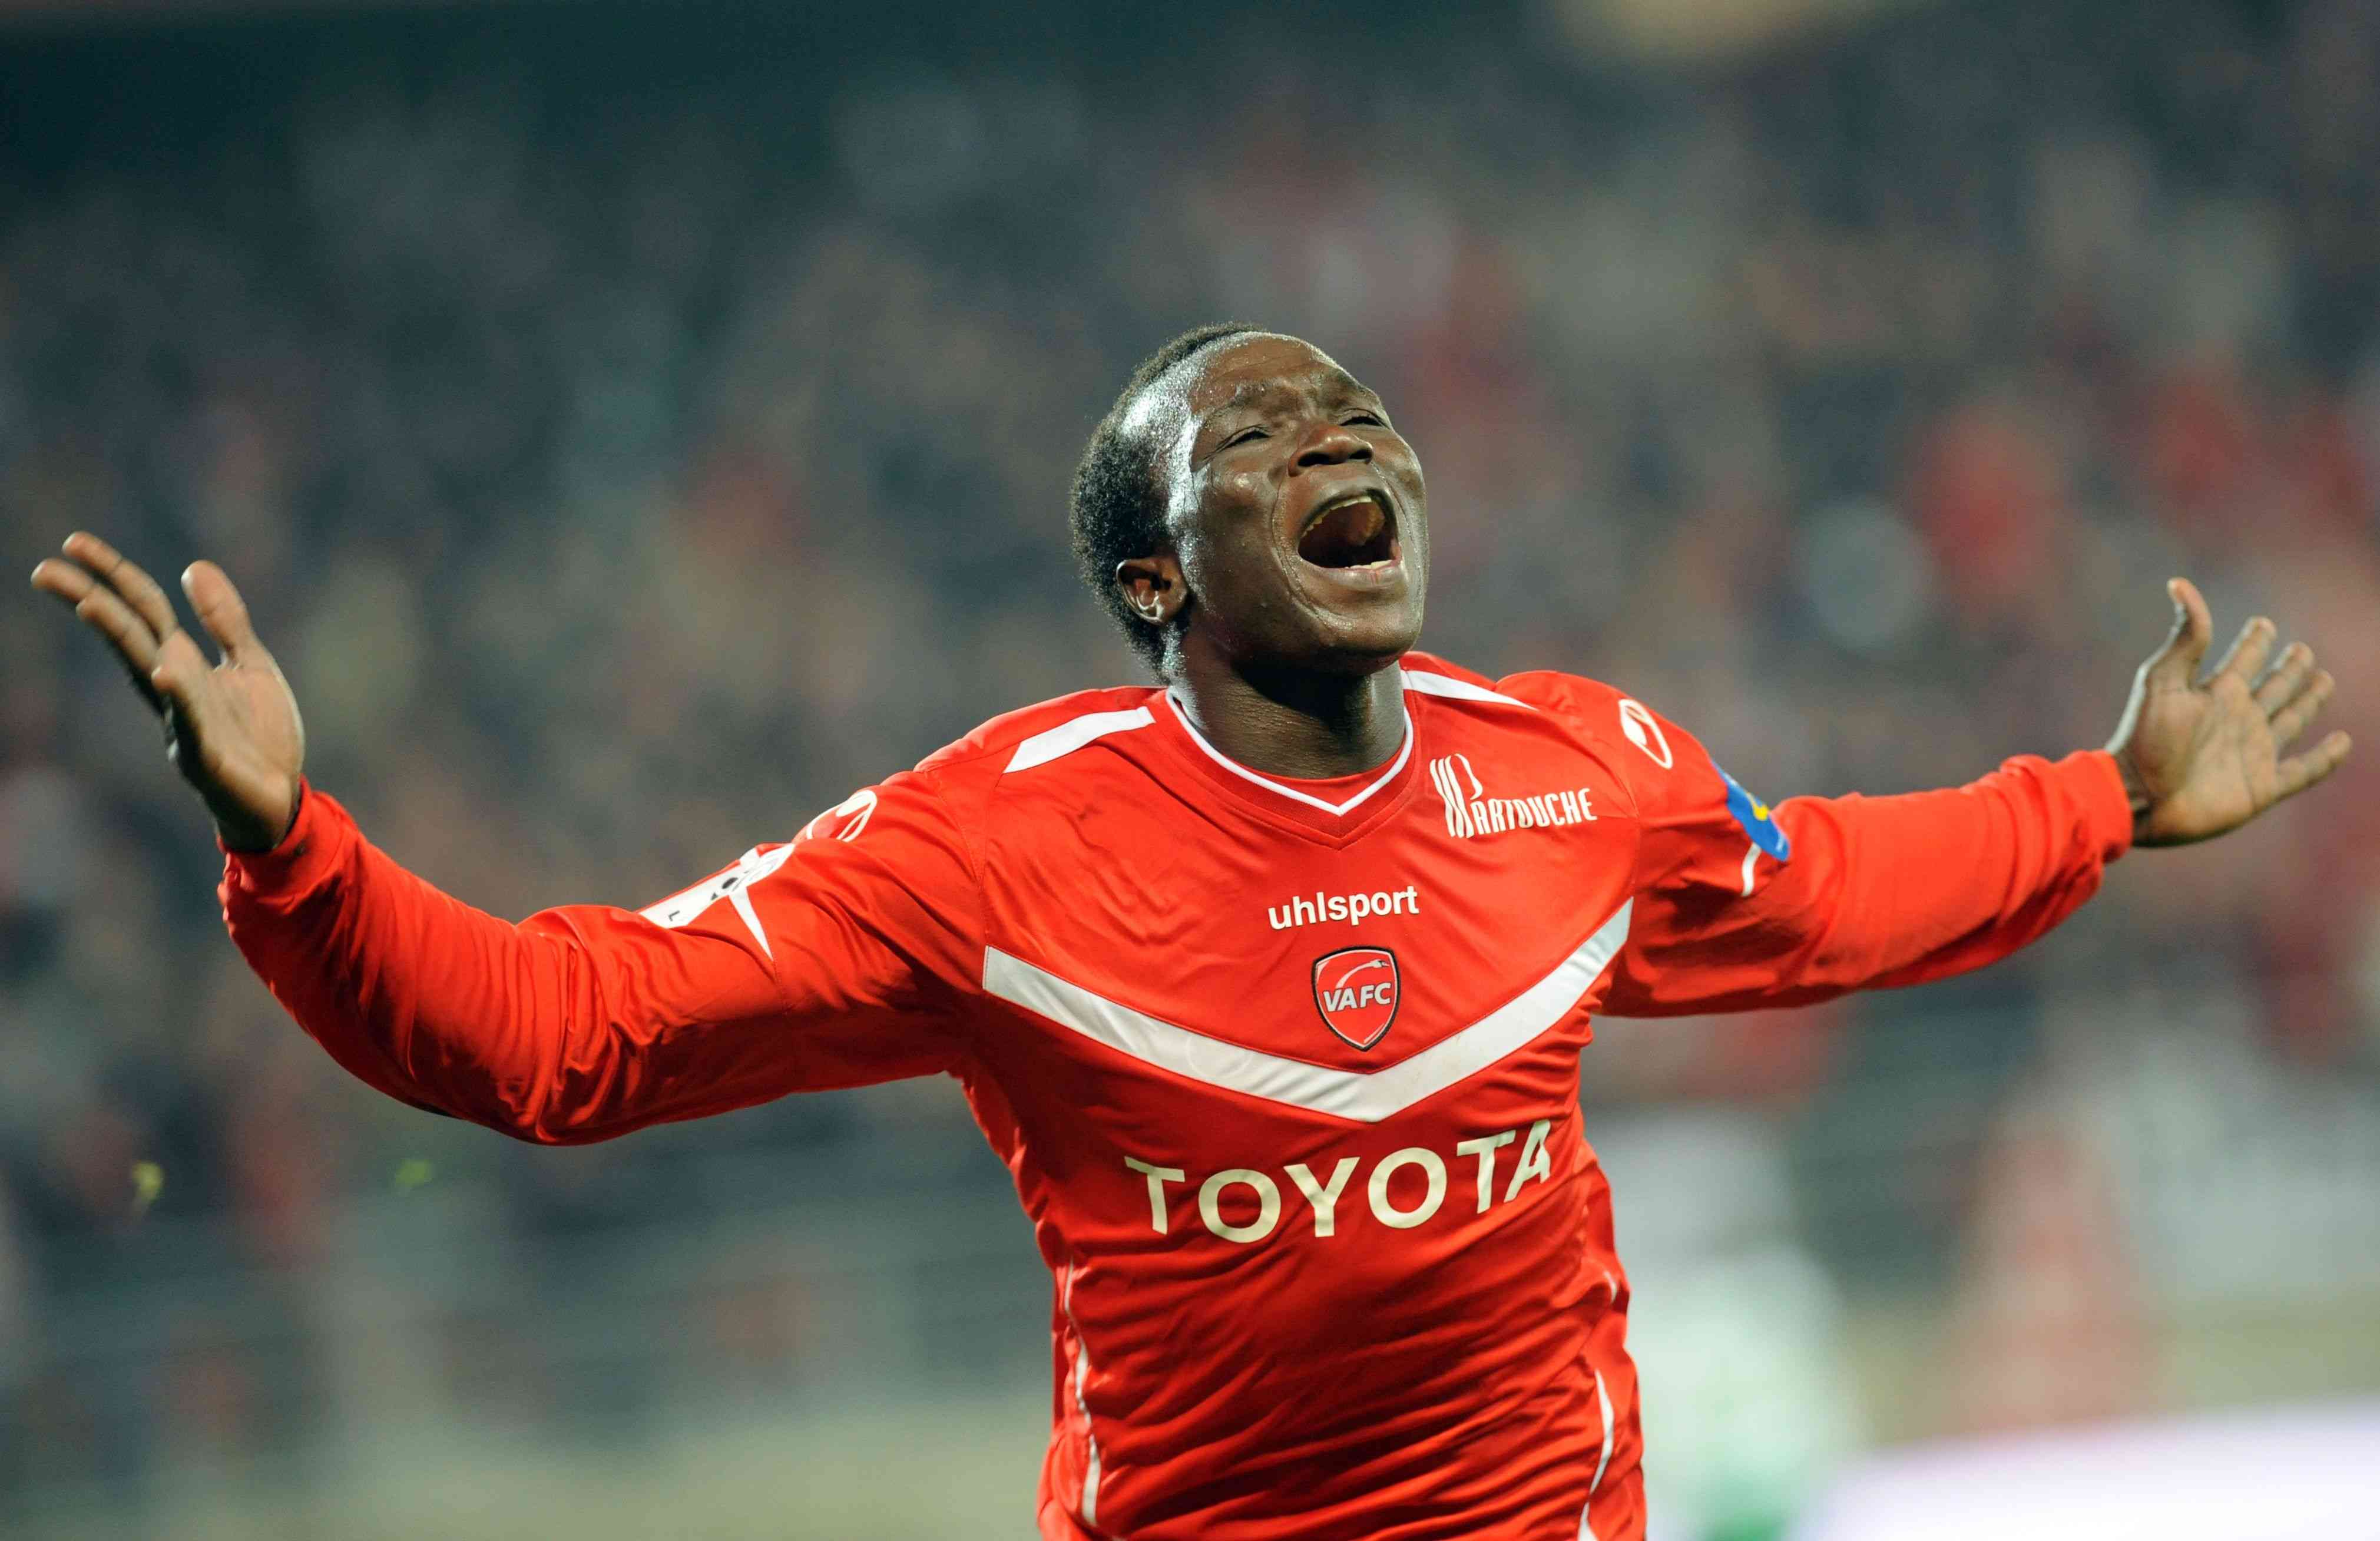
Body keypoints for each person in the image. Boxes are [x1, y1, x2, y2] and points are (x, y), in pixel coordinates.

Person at [30, 326, 2351, 1540]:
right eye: (1262, 438)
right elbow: (562, 1035)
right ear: (1154, 577)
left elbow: (1827, 893)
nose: (1345, 442)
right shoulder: (990, 846)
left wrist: (2111, 802)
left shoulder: (1574, 768)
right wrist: (296, 850)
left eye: (1360, 416)